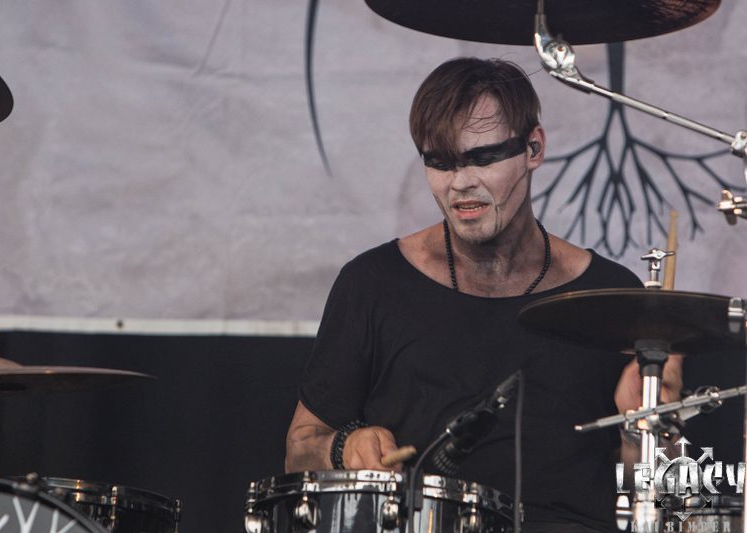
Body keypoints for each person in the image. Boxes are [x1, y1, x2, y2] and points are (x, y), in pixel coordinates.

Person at [285, 57, 681, 532]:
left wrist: (646, 429)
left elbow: (657, 493)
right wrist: (343, 446)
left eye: (483, 158)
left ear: (534, 148)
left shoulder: (611, 297)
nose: (460, 183)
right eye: (440, 162)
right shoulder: (373, 283)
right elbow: (300, 447)